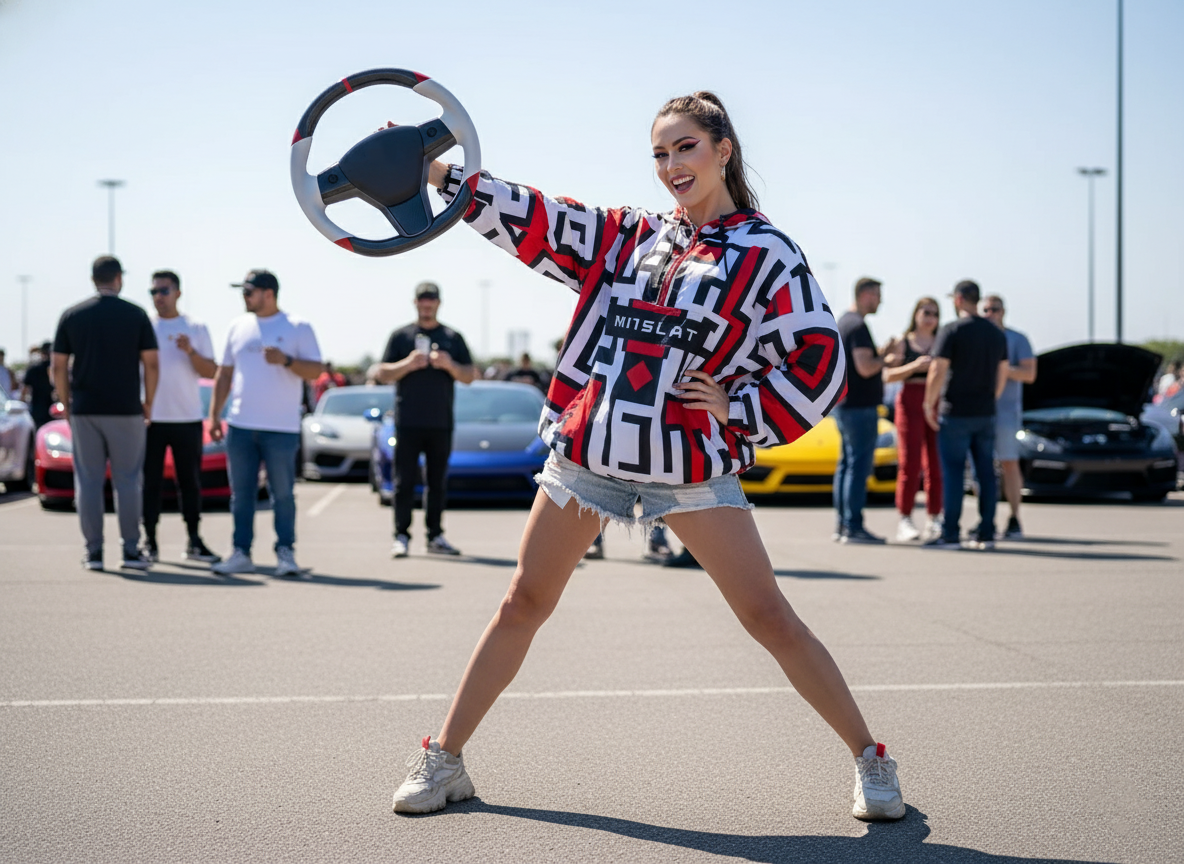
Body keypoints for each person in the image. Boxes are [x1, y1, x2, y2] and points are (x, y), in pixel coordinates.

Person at [389, 91, 904, 822]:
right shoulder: (628, 238)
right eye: (660, 154)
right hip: (589, 454)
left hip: (690, 468)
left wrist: (742, 411)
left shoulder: (767, 253)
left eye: (685, 147)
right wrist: (439, 173)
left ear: (723, 149)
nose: (671, 165)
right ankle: (445, 758)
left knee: (769, 617)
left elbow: (818, 363)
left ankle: (871, 760)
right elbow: (537, 216)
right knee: (522, 602)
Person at [208, 270, 324, 577]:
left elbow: (315, 371)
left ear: (268, 293)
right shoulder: (238, 326)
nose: (244, 298)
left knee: (282, 494)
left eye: (249, 292)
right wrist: (214, 415)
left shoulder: (298, 326)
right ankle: (241, 552)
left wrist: (286, 360)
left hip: (282, 428)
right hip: (241, 425)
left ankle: (285, 553)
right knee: (241, 494)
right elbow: (224, 375)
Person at [51, 256, 159, 571]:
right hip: (126, 409)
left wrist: (66, 402)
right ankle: (130, 551)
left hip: (85, 410)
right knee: (127, 481)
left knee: (87, 481)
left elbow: (58, 365)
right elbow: (151, 363)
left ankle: (94, 552)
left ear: (93, 278)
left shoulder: (72, 315)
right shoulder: (135, 314)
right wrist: (148, 401)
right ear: (118, 279)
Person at [374, 281, 475, 558]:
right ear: (415, 302)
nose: (426, 304)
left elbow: (470, 375)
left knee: (437, 482)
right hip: (407, 422)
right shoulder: (401, 337)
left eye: (431, 300)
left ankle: (435, 536)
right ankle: (401, 536)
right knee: (403, 481)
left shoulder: (452, 337)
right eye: (422, 299)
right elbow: (381, 373)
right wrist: (408, 364)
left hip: (440, 422)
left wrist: (448, 364)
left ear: (438, 303)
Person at [922, 280, 1008, 550]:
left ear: (958, 300)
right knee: (986, 473)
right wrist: (992, 397)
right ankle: (987, 532)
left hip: (956, 412)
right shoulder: (995, 333)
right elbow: (1002, 372)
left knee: (954, 473)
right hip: (985, 412)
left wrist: (928, 403)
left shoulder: (952, 330)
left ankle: (950, 533)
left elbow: (937, 370)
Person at [141, 270, 221, 563]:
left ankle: (194, 541)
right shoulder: (144, 326)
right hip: (151, 419)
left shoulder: (195, 328)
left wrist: (190, 351)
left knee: (189, 483)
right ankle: (149, 540)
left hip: (187, 418)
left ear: (178, 292)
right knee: (149, 483)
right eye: (153, 292)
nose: (158, 297)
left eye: (163, 291)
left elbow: (211, 371)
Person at [833, 277, 888, 544]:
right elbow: (865, 367)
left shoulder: (844, 321)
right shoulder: (858, 326)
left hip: (845, 406)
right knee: (858, 466)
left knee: (846, 465)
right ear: (866, 294)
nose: (881, 301)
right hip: (860, 408)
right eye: (878, 295)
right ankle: (853, 526)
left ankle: (843, 525)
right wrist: (886, 358)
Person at [882, 298, 942, 542]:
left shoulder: (942, 341)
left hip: (936, 400)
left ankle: (934, 517)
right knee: (910, 463)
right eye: (926, 312)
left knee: (936, 464)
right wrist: (915, 365)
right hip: (909, 400)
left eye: (935, 313)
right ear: (916, 314)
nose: (930, 317)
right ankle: (905, 518)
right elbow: (888, 375)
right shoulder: (902, 341)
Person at [981, 295, 1036, 539]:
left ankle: (1014, 518)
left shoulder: (1017, 339)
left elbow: (1029, 374)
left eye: (994, 309)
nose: (990, 313)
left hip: (1006, 413)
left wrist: (1003, 369)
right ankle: (986, 519)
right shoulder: (976, 337)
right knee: (980, 466)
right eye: (985, 309)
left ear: (1004, 311)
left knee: (1009, 463)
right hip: (978, 411)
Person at [20, 342, 56, 428]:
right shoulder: (57, 369)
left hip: (37, 410)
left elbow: (24, 391)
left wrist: (21, 405)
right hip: (54, 410)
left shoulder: (34, 369)